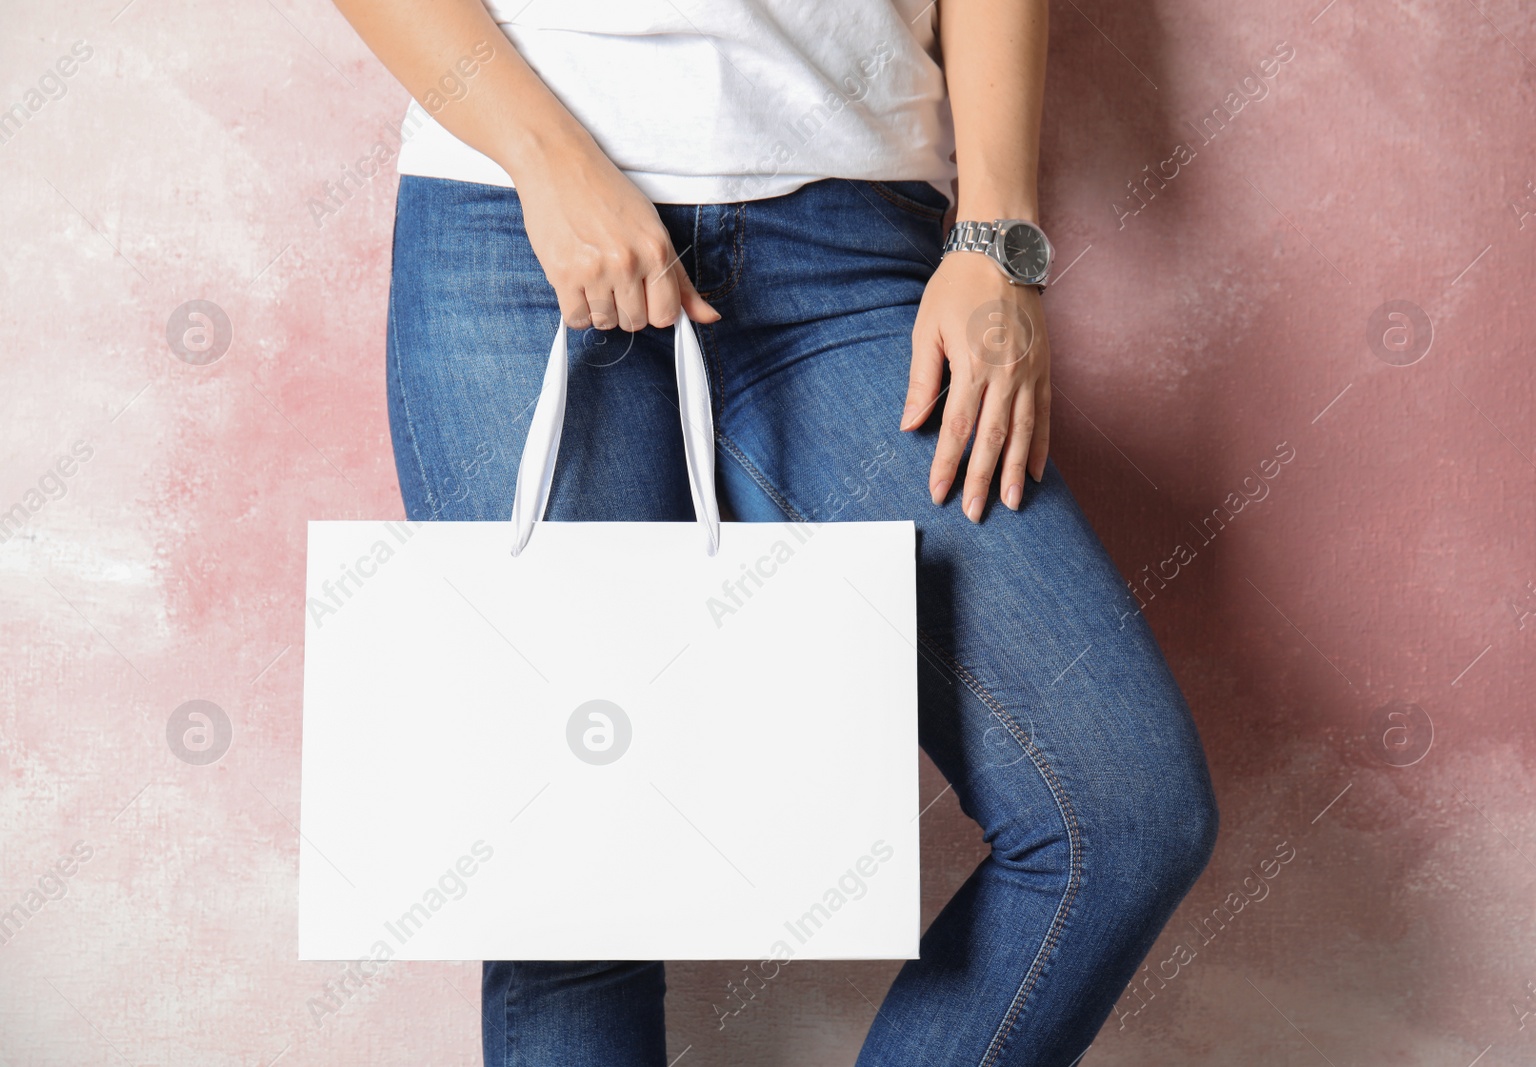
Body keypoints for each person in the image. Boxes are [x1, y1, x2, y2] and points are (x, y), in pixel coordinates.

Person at [329, 2, 1220, 1063]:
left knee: (1120, 809)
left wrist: (1000, 242)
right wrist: (543, 153)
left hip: (850, 240)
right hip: (519, 222)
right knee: (571, 879)